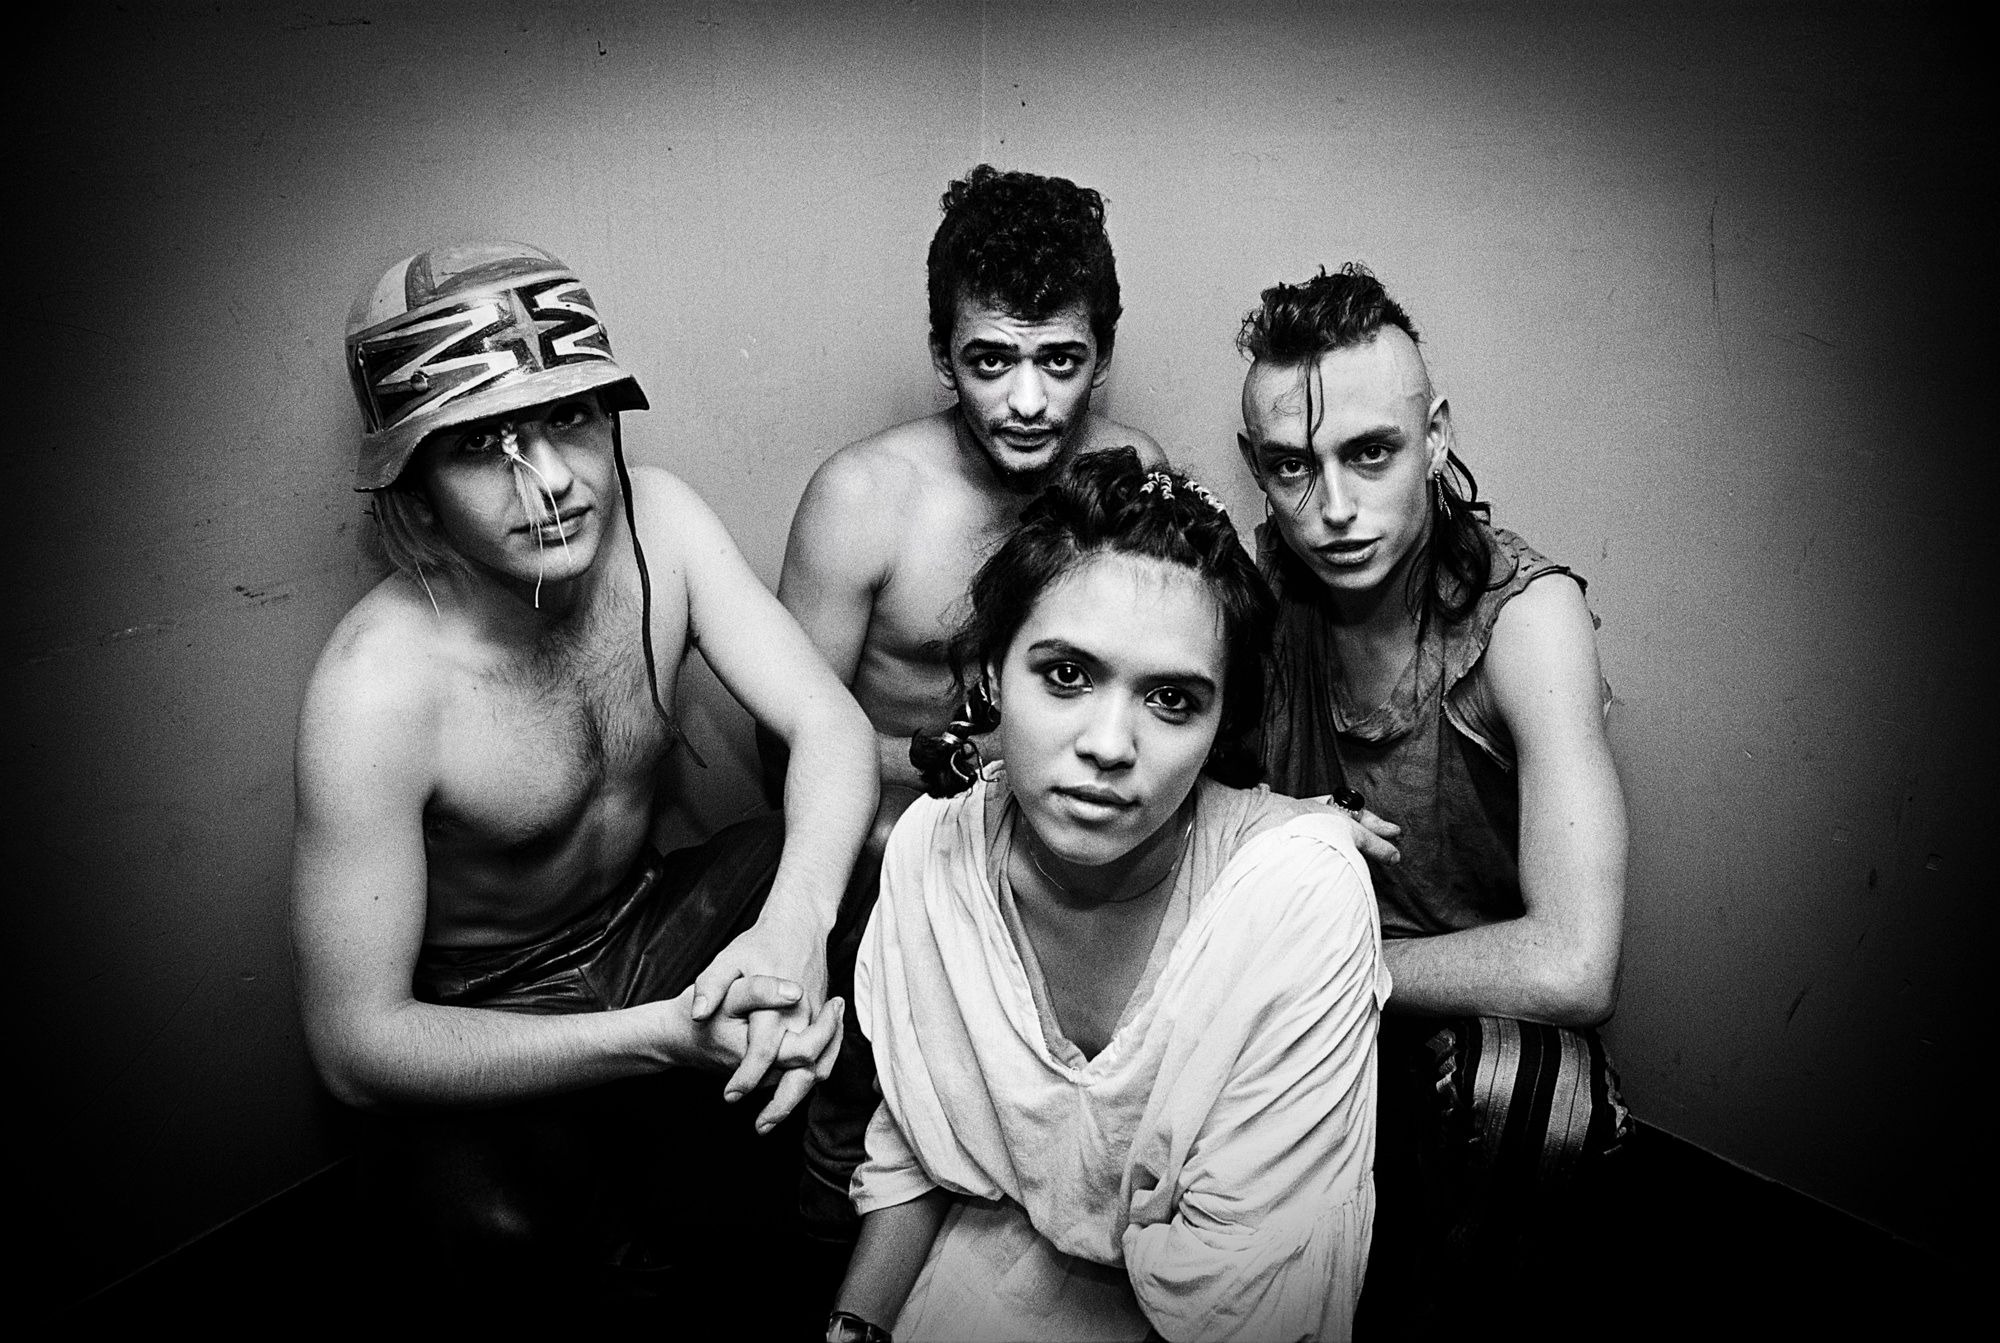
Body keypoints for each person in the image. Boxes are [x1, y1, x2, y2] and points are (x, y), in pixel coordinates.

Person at [290, 240, 877, 1300]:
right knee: (481, 1233)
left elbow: (828, 726)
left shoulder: (659, 520)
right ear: (415, 494)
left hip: (646, 919)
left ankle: (846, 1196)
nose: (552, 481)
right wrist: (663, 1038)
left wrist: (792, 923)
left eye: (569, 418)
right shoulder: (374, 685)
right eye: (480, 445)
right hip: (494, 1002)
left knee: (882, 860)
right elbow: (354, 1043)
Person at [826, 449, 1388, 1343]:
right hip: (986, 1260)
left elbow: (1250, 1299)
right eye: (1066, 675)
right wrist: (855, 1325)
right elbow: (918, 1142)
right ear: (989, 675)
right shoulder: (934, 853)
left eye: (1171, 698)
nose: (1109, 744)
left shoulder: (1294, 897)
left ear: (1220, 725)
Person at [1234, 263, 1631, 1334]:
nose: (1331, 508)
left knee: (1540, 1096)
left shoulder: (1524, 619)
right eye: (1288, 466)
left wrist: (1330, 964)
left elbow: (1573, 960)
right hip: (1295, 1006)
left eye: (1369, 452)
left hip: (1448, 1009)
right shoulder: (1249, 599)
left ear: (1435, 436)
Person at [770, 165, 1165, 1232]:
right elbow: (788, 752)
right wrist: (968, 763)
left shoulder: (1131, 475)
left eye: (1059, 360)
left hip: (1067, 866)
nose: (1027, 400)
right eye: (990, 360)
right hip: (892, 864)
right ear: (943, 352)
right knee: (855, 1143)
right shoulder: (864, 499)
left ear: (1102, 356)